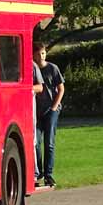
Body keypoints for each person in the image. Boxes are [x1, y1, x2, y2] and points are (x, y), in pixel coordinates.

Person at [33, 41, 64, 188]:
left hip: (51, 110)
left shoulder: (53, 68)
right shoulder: (31, 69)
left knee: (49, 143)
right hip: (36, 111)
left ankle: (49, 175)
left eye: (43, 53)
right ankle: (38, 173)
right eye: (38, 53)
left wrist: (54, 108)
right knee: (36, 143)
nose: (41, 56)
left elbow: (61, 89)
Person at [32, 59, 45, 183]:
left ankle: (35, 173)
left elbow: (40, 87)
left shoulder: (32, 65)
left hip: (29, 109)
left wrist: (28, 89)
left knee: (32, 140)